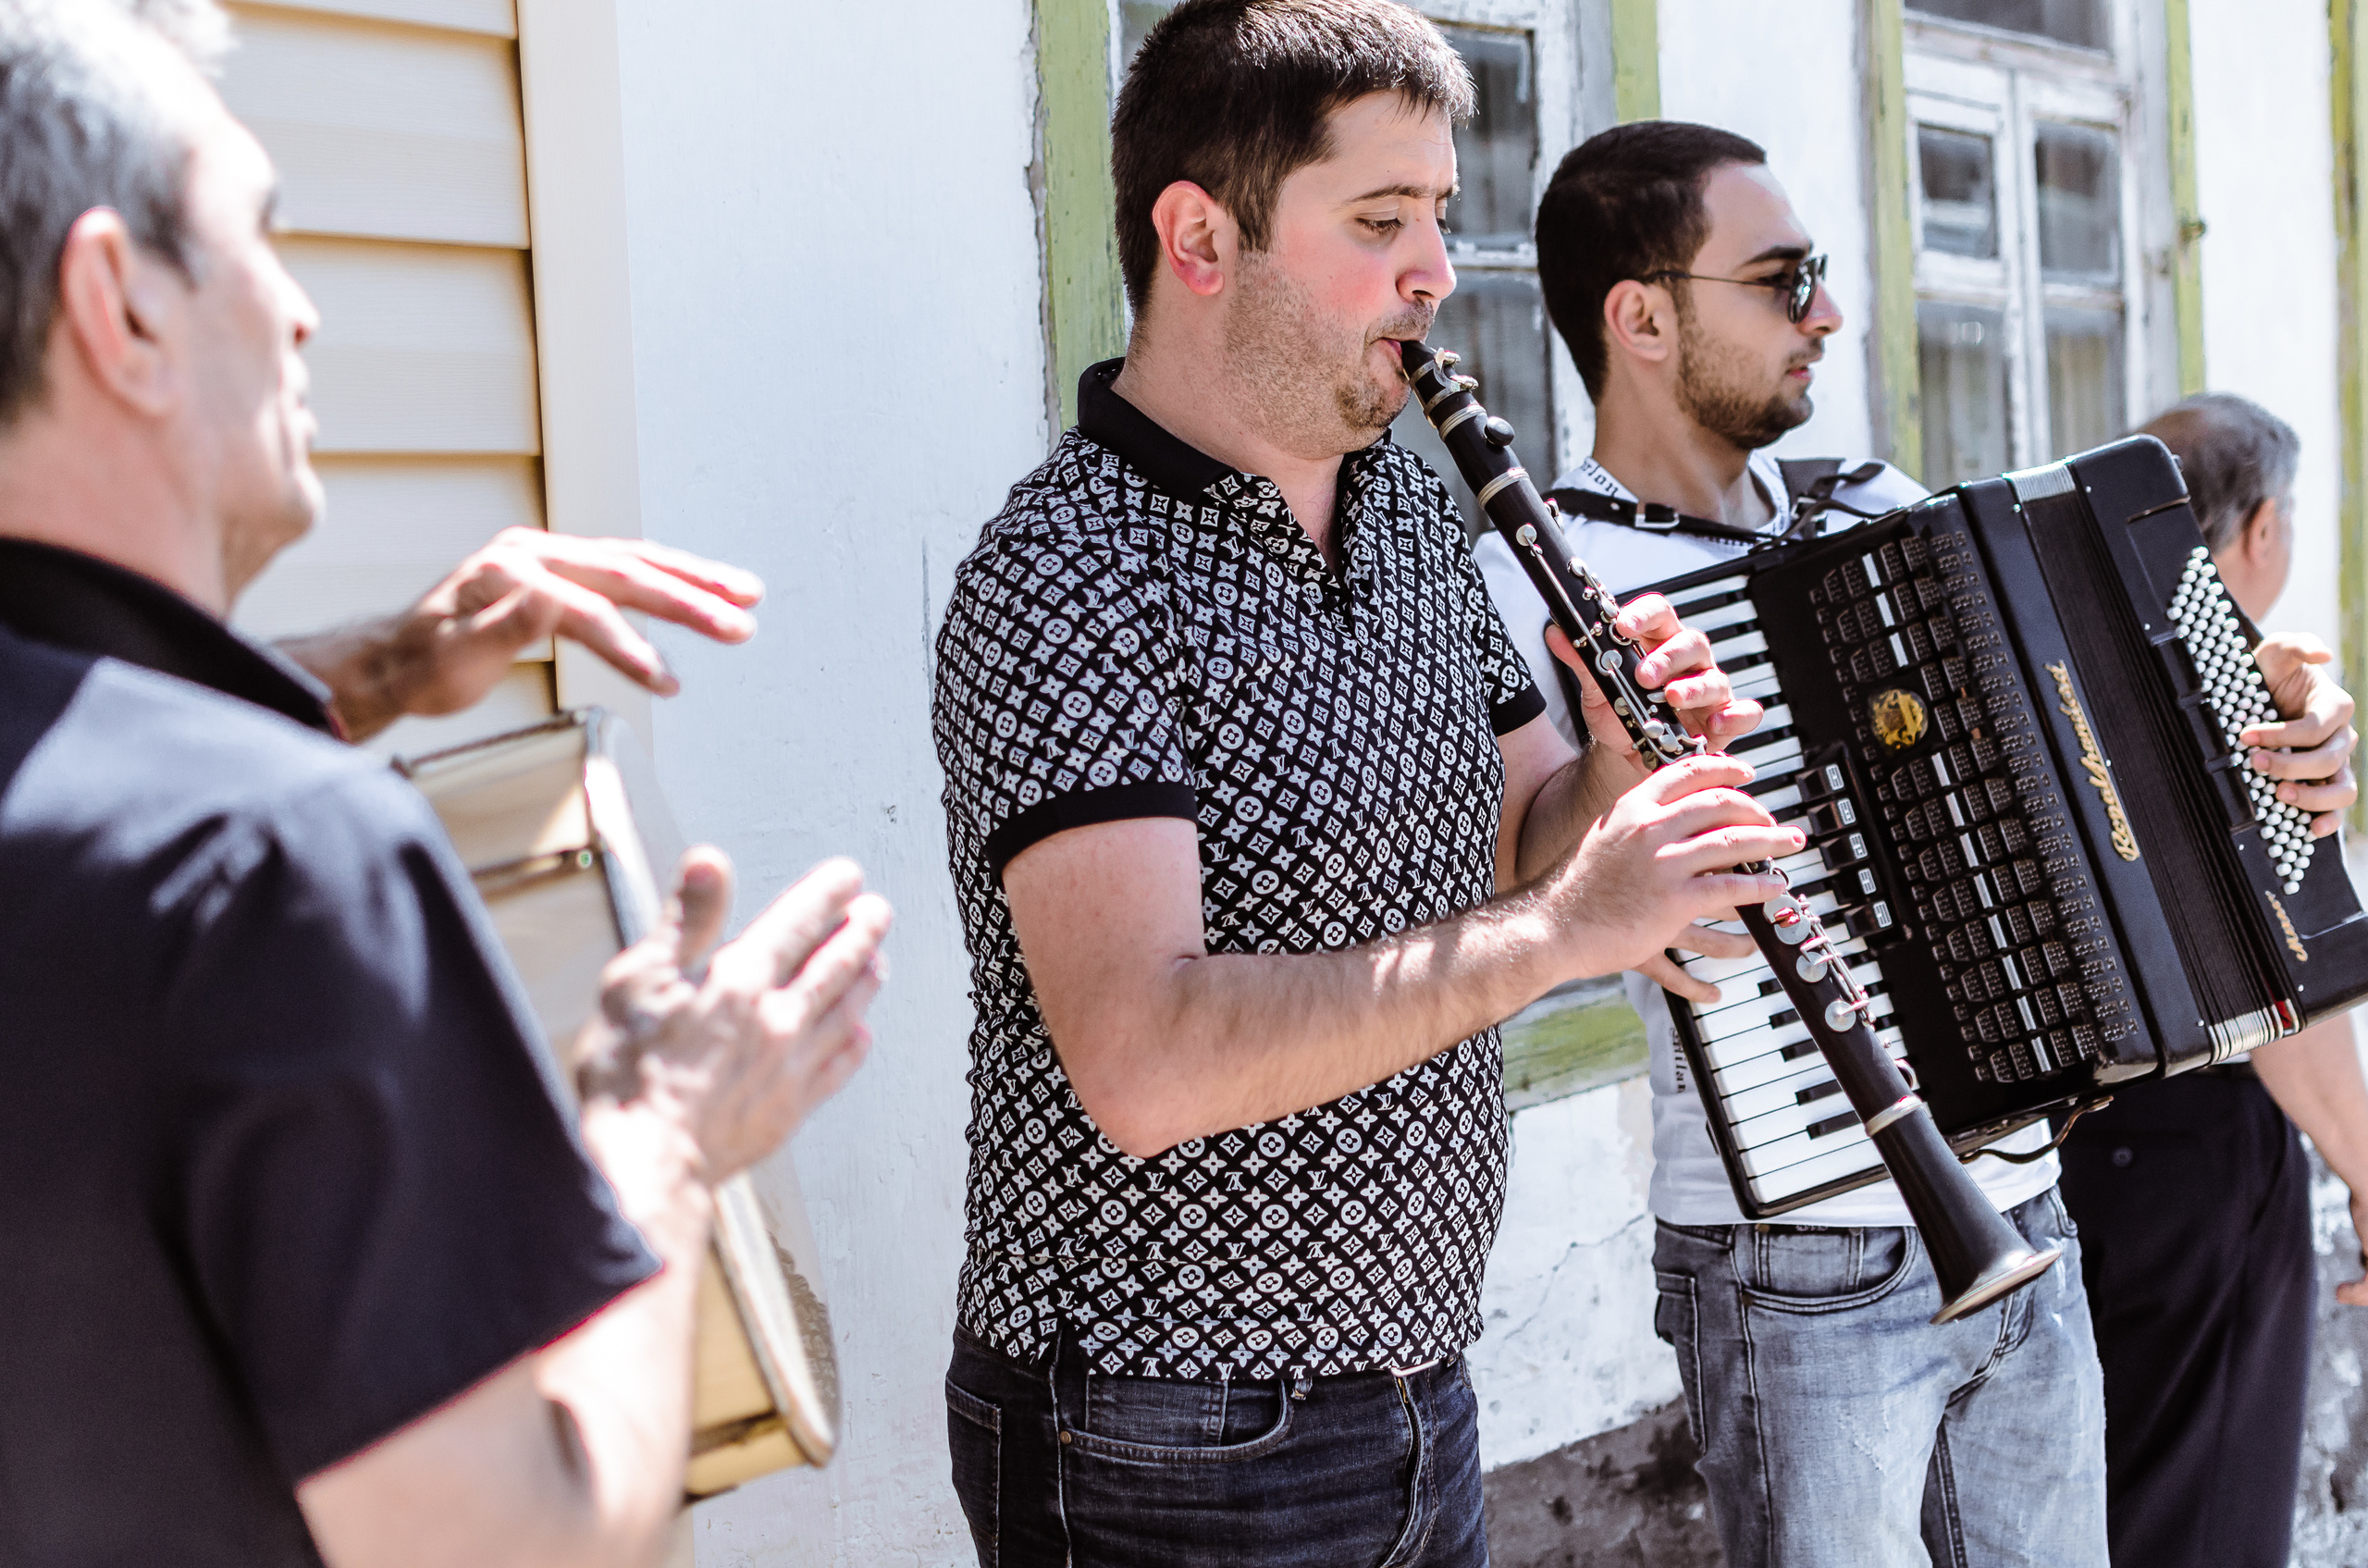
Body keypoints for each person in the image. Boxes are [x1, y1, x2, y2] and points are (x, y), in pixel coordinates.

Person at [0, 5, 894, 1565]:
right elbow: (501, 1543)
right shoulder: (273, 862)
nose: (300, 313)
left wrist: (381, 674)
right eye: (258, 237)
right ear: (117, 307)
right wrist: (665, 1140)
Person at [928, 6, 1793, 1563]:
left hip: (1419, 1393)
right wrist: (1569, 931)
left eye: (1440, 217)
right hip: (1159, 1431)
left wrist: (1611, 765)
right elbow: (1146, 1059)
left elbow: (1531, 842)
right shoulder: (1062, 573)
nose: (1437, 273)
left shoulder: (1406, 517)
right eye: (1380, 220)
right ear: (1201, 237)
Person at [1479, 120, 2152, 1568]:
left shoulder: (1883, 513)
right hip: (1793, 1251)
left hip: (2023, 1188)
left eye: (1823, 276)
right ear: (1641, 317)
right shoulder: (1531, 579)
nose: (1826, 316)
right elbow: (1526, 903)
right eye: (1783, 281)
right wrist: (1615, 772)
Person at [2058, 391, 2368, 1568]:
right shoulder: (2235, 706)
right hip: (2198, 1160)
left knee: (2110, 1499)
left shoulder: (2067, 674)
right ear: (2262, 530)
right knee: (2202, 1516)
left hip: (2081, 1160)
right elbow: (2278, 991)